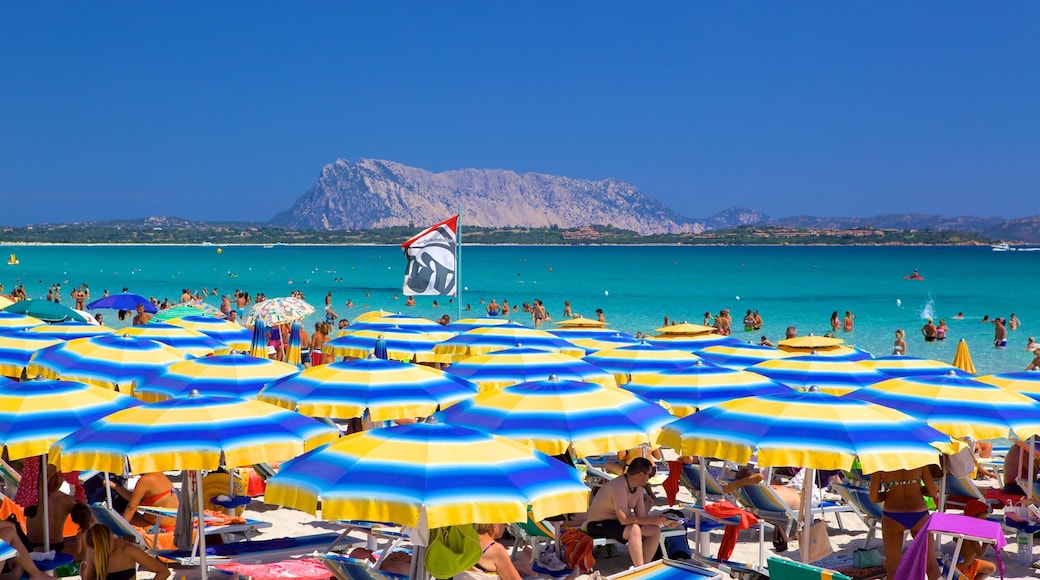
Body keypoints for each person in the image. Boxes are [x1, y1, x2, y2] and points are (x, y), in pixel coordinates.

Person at [585, 458, 677, 568]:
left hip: (616, 523)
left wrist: (663, 521)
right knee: (634, 530)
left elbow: (642, 516)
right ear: (640, 475)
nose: (650, 478)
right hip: (597, 524)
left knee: (654, 530)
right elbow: (624, 519)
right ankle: (640, 569)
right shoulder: (619, 486)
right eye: (650, 474)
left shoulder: (637, 488)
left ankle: (645, 566)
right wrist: (652, 520)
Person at [869, 467, 940, 580]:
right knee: (931, 566)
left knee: (893, 568)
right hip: (919, 513)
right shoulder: (918, 462)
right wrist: (918, 489)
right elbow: (933, 492)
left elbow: (873, 498)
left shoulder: (880, 464)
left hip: (893, 514)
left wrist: (888, 494)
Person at [81, 523, 170, 580]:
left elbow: (163, 571)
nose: (103, 552)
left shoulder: (127, 550)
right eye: (98, 550)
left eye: (105, 548)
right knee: (83, 567)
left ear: (111, 537)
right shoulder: (93, 550)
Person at [26, 464, 80, 552]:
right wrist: (59, 457)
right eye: (54, 476)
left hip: (58, 545)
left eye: (61, 476)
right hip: (34, 545)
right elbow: (43, 478)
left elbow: (87, 519)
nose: (58, 481)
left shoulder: (67, 500)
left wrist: (83, 505)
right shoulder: (37, 495)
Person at [107, 472, 178, 528]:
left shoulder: (146, 479)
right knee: (125, 518)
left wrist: (120, 528)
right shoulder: (158, 475)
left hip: (158, 527)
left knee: (114, 520)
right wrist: (114, 486)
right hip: (172, 523)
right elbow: (134, 498)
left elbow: (131, 507)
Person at [468, 523, 534, 580]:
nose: (505, 527)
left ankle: (521, 565)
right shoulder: (495, 549)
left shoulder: (467, 541)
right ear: (494, 524)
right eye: (504, 523)